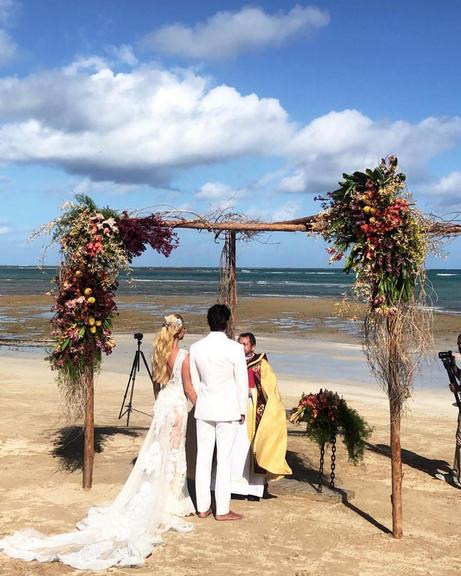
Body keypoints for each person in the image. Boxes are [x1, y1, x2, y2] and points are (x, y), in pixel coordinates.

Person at [0, 313, 197, 570]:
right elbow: (188, 386)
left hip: (163, 405)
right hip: (177, 407)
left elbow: (156, 385)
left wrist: (160, 403)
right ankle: (170, 498)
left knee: (160, 451)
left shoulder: (158, 352)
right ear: (179, 332)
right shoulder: (184, 356)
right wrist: (201, 404)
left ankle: (163, 493)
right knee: (172, 451)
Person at [189, 304, 248, 521]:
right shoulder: (234, 348)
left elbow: (195, 383)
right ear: (227, 322)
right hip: (228, 409)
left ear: (209, 321)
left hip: (204, 408)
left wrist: (201, 401)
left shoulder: (196, 347)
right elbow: (241, 381)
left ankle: (203, 506)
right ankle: (222, 509)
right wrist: (242, 409)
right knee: (224, 460)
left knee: (203, 458)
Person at [231, 332, 292, 499]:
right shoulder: (232, 360)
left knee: (254, 448)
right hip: (235, 409)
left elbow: (269, 389)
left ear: (253, 346)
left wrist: (251, 393)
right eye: (240, 343)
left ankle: (254, 489)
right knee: (236, 448)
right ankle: (234, 487)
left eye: (245, 344)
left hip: (253, 409)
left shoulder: (261, 364)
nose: (242, 346)